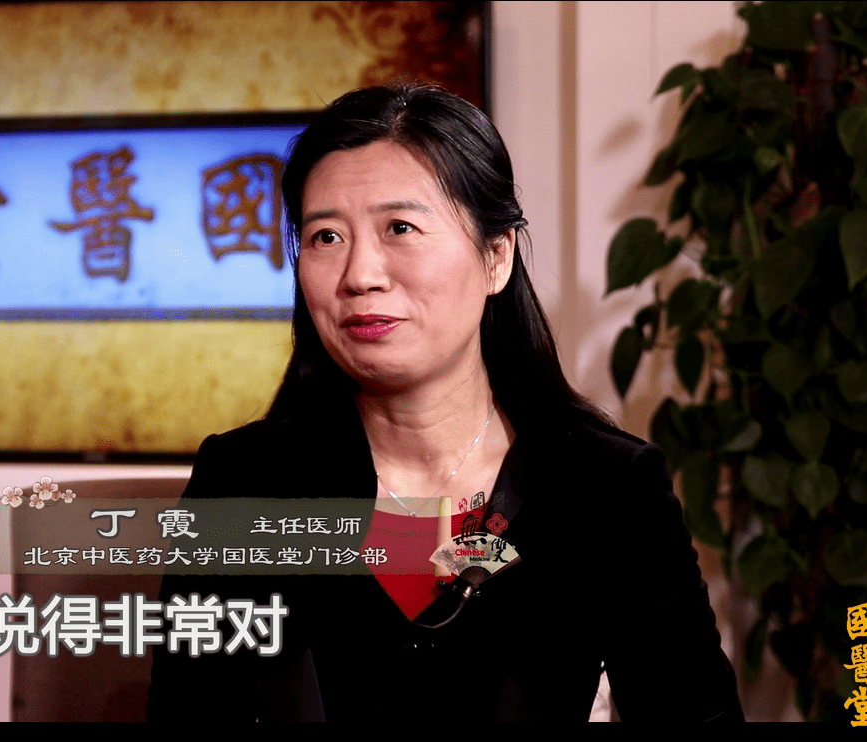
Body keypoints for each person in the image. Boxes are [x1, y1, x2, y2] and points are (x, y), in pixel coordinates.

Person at [148, 83, 744, 722]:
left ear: (496, 257)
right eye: (325, 237)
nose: (360, 275)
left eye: (400, 228)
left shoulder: (604, 488)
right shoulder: (243, 482)